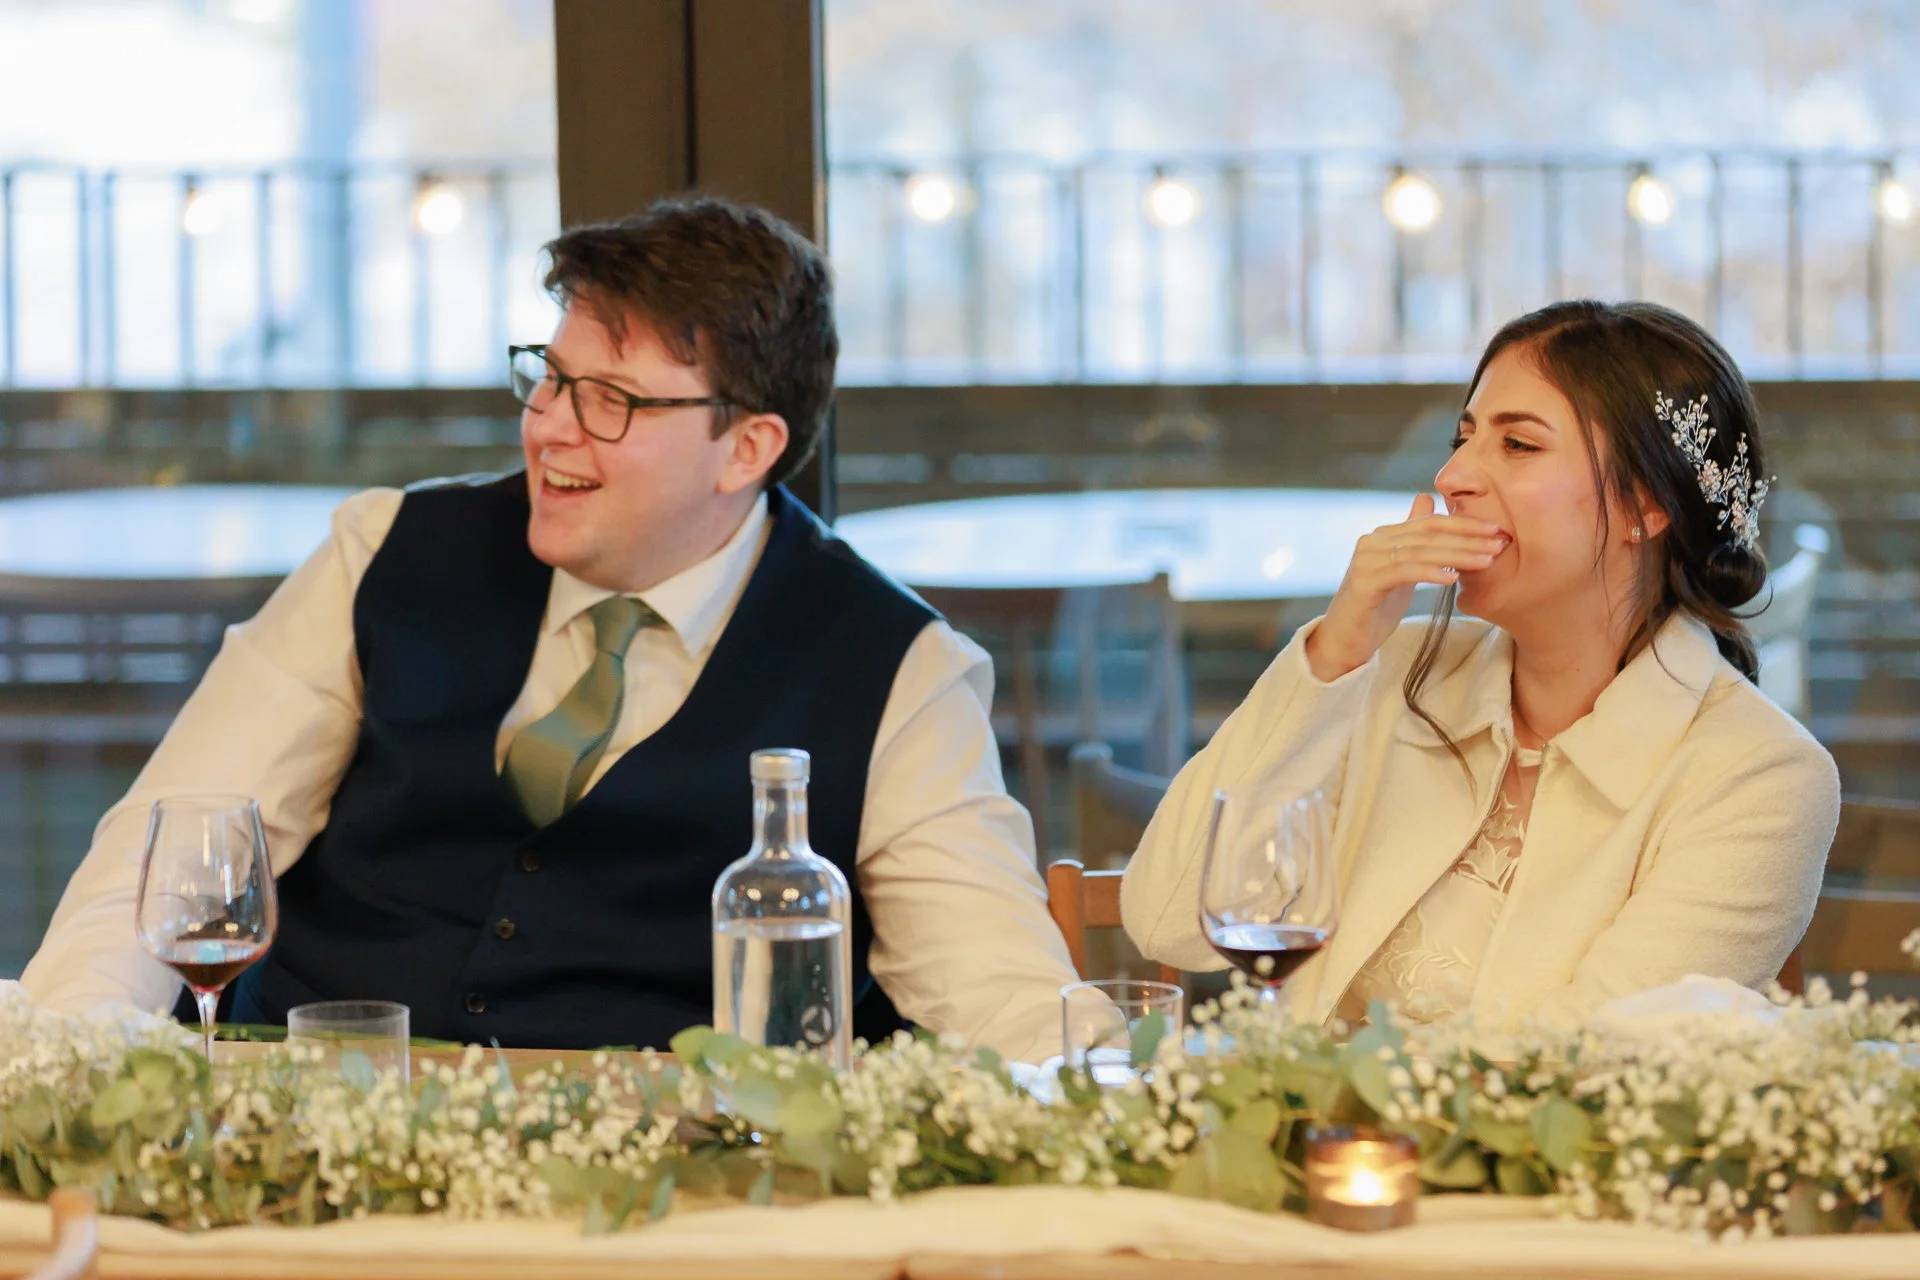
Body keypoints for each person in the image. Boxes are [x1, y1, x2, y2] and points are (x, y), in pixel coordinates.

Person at [23, 196, 1081, 1062]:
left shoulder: (898, 668)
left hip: (670, 1194)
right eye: (551, 375)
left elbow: (994, 988)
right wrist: (55, 1083)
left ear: (746, 447)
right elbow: (162, 862)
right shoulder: (382, 550)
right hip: (316, 1135)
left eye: (611, 399)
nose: (549, 424)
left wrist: (1119, 1108)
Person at [1122, 300, 1838, 1030]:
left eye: (1518, 445)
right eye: (1463, 438)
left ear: (1645, 506)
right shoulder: (1386, 672)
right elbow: (1168, 917)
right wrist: (1334, 653)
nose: (1453, 475)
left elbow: (1584, 1068)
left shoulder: (1762, 776)